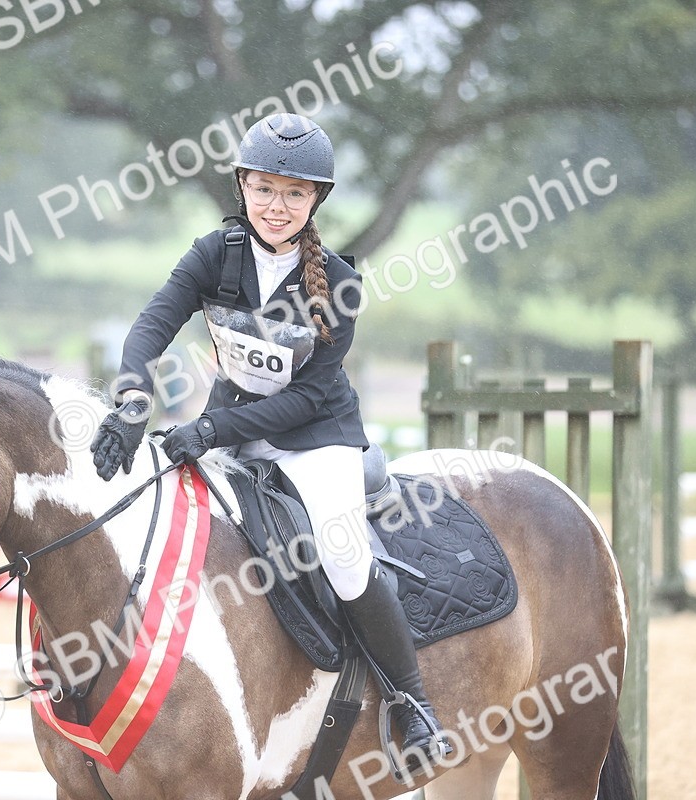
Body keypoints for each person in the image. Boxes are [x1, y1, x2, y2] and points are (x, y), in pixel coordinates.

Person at [89, 113, 450, 766]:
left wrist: (208, 429)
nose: (276, 206)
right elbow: (150, 327)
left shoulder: (336, 281)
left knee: (342, 555)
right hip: (228, 431)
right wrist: (131, 403)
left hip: (317, 440)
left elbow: (307, 399)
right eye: (264, 189)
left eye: (293, 193)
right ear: (242, 189)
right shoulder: (214, 256)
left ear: (315, 202)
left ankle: (410, 702)